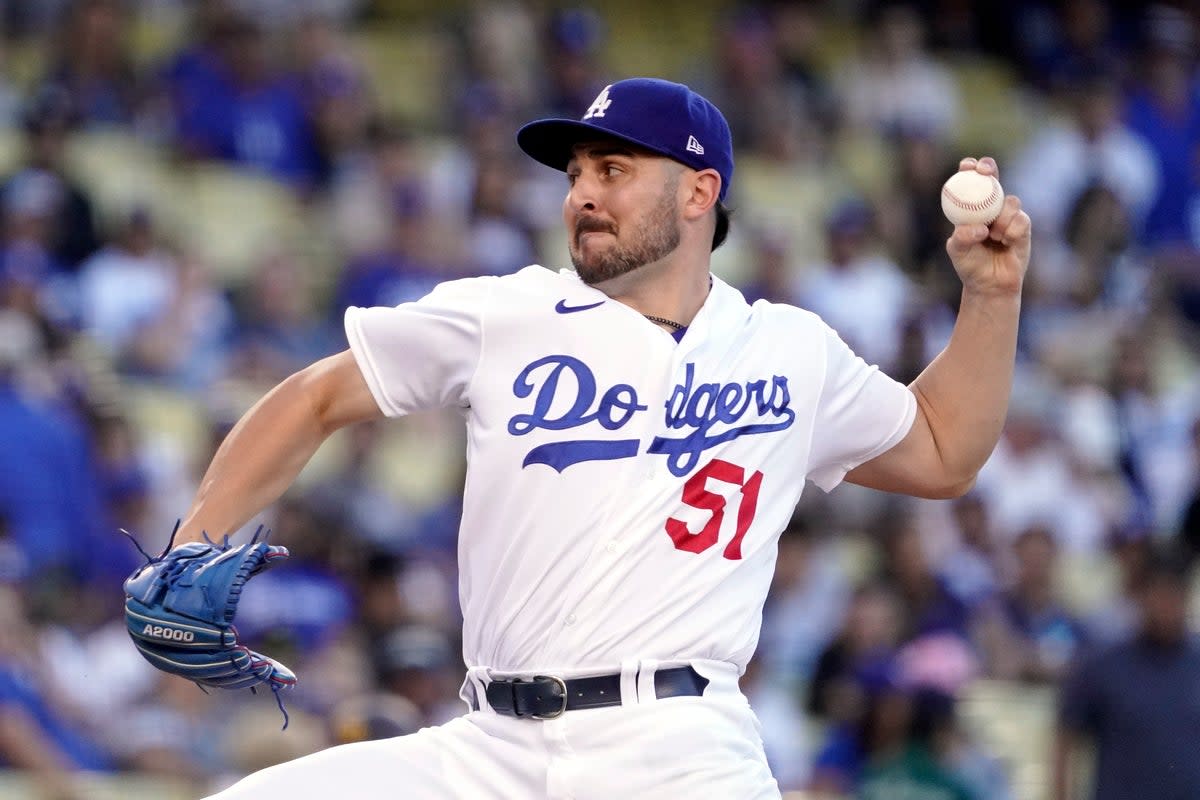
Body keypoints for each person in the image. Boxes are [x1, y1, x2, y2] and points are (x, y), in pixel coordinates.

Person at [149, 77, 1030, 798]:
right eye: (575, 175)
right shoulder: (508, 314)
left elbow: (945, 451)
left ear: (699, 190)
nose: (582, 195)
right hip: (487, 749)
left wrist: (990, 298)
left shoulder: (791, 349)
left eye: (613, 170)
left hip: (678, 751)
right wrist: (189, 546)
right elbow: (313, 398)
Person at [1053, 545, 1200, 800]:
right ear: (1140, 596)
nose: (1165, 605)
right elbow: (1066, 737)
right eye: (1158, 593)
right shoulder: (1104, 664)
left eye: (1173, 594)